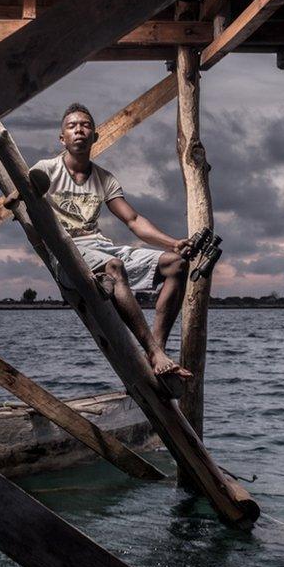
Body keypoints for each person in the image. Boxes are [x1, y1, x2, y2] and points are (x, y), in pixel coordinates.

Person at [31, 102, 193, 383]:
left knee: (176, 264)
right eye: (72, 126)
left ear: (94, 136)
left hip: (101, 246)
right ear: (62, 138)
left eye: (85, 125)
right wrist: (18, 197)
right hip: (68, 254)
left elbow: (132, 220)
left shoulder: (104, 178)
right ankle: (155, 354)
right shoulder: (45, 170)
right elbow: (23, 193)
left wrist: (173, 243)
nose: (79, 130)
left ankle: (157, 349)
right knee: (114, 266)